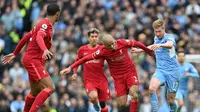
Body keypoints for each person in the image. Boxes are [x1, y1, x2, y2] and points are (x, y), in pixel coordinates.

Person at [60, 34, 153, 112]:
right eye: (110, 45)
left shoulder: (122, 42)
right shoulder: (102, 51)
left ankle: (132, 92)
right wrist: (70, 67)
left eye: (113, 43)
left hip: (129, 72)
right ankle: (128, 89)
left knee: (134, 94)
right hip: (118, 78)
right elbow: (85, 58)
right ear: (104, 45)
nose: (113, 46)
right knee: (122, 103)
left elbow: (137, 43)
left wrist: (148, 51)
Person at [2, 3, 60, 112]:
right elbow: (39, 37)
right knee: (51, 87)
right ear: (57, 14)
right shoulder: (45, 25)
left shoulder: (41, 24)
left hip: (31, 60)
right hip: (33, 61)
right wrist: (45, 49)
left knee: (34, 92)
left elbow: (26, 36)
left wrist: (15, 53)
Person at [132, 19, 180, 112]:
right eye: (156, 31)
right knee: (151, 88)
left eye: (159, 31)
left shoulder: (170, 36)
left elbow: (170, 44)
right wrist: (140, 50)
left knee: (171, 100)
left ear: (163, 29)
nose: (157, 34)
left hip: (173, 71)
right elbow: (152, 46)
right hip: (160, 70)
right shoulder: (156, 38)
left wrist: (160, 45)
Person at [72, 28, 110, 112]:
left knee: (103, 104)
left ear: (98, 38)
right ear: (88, 38)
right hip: (89, 80)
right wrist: (74, 72)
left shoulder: (102, 49)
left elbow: (111, 58)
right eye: (92, 36)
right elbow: (77, 61)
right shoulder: (82, 49)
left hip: (101, 80)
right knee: (93, 97)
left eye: (96, 36)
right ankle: (94, 103)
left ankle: (99, 105)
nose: (94, 38)